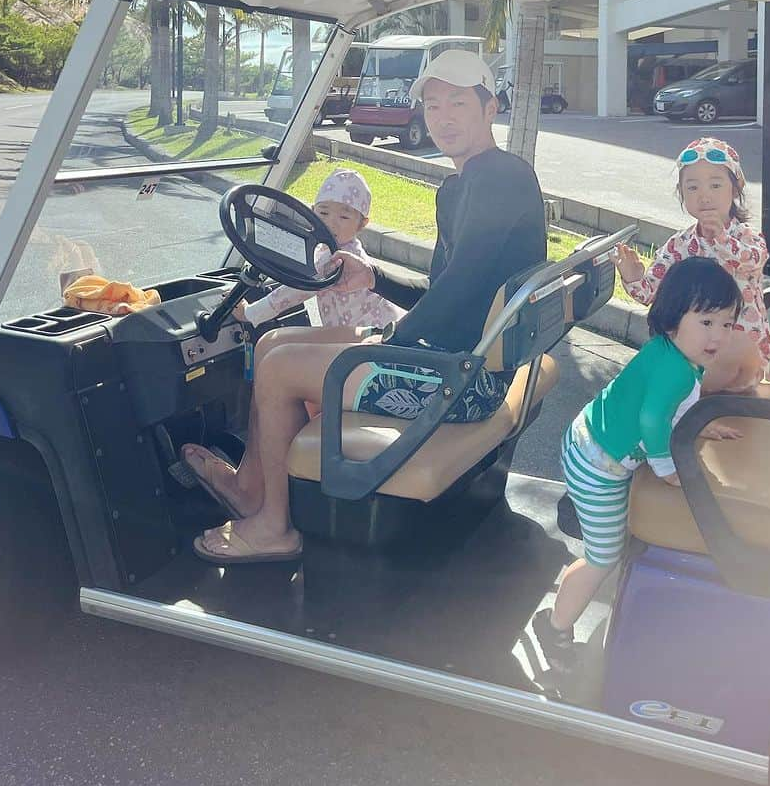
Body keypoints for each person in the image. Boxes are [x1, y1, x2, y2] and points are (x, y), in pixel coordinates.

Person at [186, 49, 547, 564]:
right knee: (271, 343)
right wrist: (373, 277)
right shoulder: (464, 185)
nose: (443, 117)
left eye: (459, 103)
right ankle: (249, 488)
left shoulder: (498, 178)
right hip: (459, 357)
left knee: (283, 369)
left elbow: (460, 290)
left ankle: (273, 527)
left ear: (491, 109)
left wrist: (391, 346)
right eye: (434, 104)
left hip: (460, 382)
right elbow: (447, 286)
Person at [533, 257, 742, 675]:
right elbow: (652, 418)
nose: (718, 335)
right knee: (602, 555)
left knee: (614, 542)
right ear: (672, 320)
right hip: (598, 463)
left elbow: (669, 411)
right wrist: (667, 470)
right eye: (706, 322)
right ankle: (553, 628)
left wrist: (699, 428)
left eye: (727, 323)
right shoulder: (674, 368)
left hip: (598, 444)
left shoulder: (676, 356)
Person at [614, 137, 770, 392]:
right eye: (692, 188)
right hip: (694, 360)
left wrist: (722, 240)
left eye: (715, 185)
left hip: (742, 360)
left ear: (736, 189)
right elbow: (651, 293)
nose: (704, 196)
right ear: (681, 194)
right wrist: (632, 277)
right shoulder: (679, 244)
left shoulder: (747, 236)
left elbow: (753, 260)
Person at [238, 167, 404, 333]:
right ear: (312, 212)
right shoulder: (328, 249)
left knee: (274, 344)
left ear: (362, 224)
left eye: (344, 217)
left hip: (369, 336)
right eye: (323, 212)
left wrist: (250, 313)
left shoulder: (339, 260)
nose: (331, 223)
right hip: (356, 331)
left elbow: (292, 293)